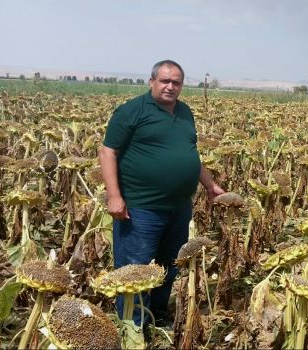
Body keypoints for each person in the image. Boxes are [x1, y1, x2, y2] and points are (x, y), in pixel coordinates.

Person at [99, 59, 224, 326]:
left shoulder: (185, 113)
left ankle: (155, 316)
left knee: (168, 266)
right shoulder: (132, 111)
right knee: (136, 268)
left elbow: (191, 153)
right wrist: (114, 196)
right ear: (152, 81)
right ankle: (132, 327)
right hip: (141, 206)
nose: (170, 87)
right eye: (165, 81)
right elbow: (108, 151)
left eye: (175, 82)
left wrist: (210, 185)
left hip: (179, 206)